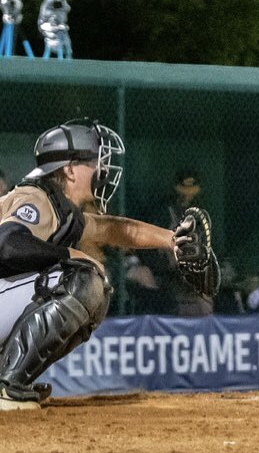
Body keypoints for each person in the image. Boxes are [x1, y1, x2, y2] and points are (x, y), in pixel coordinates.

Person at [0, 118, 218, 409]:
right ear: (69, 169)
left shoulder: (61, 208)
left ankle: (12, 378)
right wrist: (70, 256)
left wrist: (172, 240)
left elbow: (114, 229)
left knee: (94, 286)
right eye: (93, 161)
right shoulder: (34, 197)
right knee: (83, 278)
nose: (101, 169)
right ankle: (9, 386)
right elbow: (7, 245)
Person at [140, 168, 213, 316]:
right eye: (184, 189)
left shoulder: (200, 214)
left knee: (205, 297)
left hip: (192, 269)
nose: (188, 195)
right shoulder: (163, 211)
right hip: (166, 269)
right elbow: (150, 248)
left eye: (191, 190)